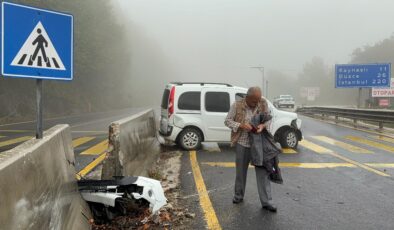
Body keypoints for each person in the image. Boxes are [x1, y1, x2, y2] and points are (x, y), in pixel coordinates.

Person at [224, 86, 277, 212]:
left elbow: (269, 118)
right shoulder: (237, 105)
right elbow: (227, 121)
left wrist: (263, 126)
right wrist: (241, 125)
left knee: (263, 174)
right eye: (253, 101)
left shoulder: (263, 103)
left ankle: (267, 202)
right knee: (241, 173)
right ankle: (238, 196)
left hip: (260, 145)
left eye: (258, 100)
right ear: (247, 97)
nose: (256, 103)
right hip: (243, 143)